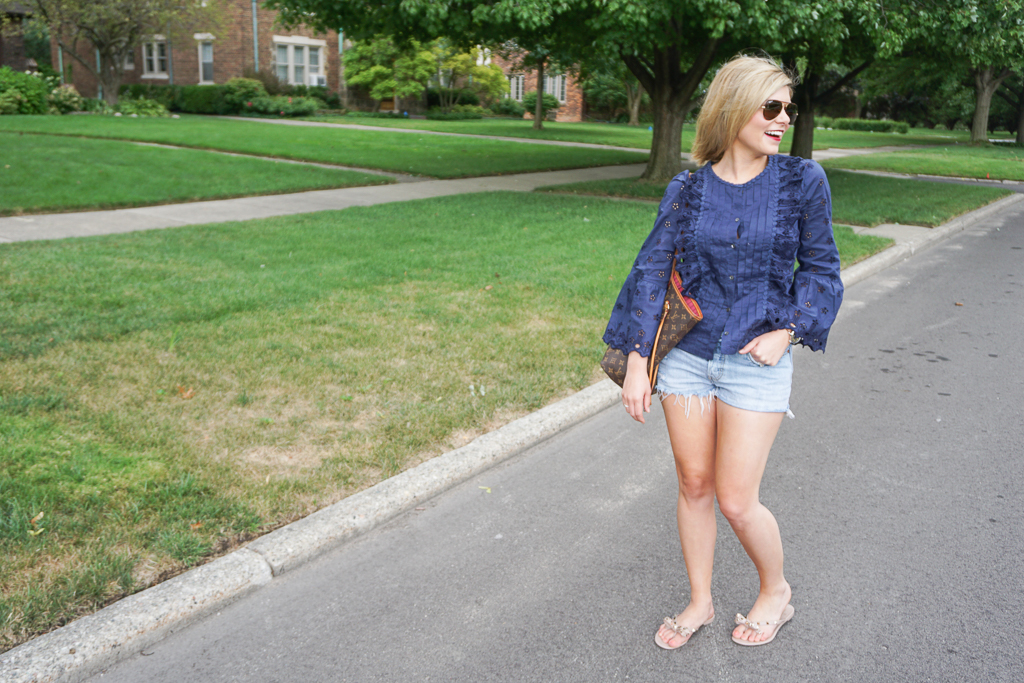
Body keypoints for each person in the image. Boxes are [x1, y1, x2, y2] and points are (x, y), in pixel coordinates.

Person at [602, 54, 843, 648]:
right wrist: (639, 361)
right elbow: (652, 271)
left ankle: (776, 591)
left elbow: (822, 273)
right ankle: (701, 601)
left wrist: (787, 332)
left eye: (789, 107)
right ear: (733, 106)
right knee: (694, 484)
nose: (783, 117)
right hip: (688, 360)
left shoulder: (801, 181)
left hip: (754, 363)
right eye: (771, 106)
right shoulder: (687, 188)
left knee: (737, 498)